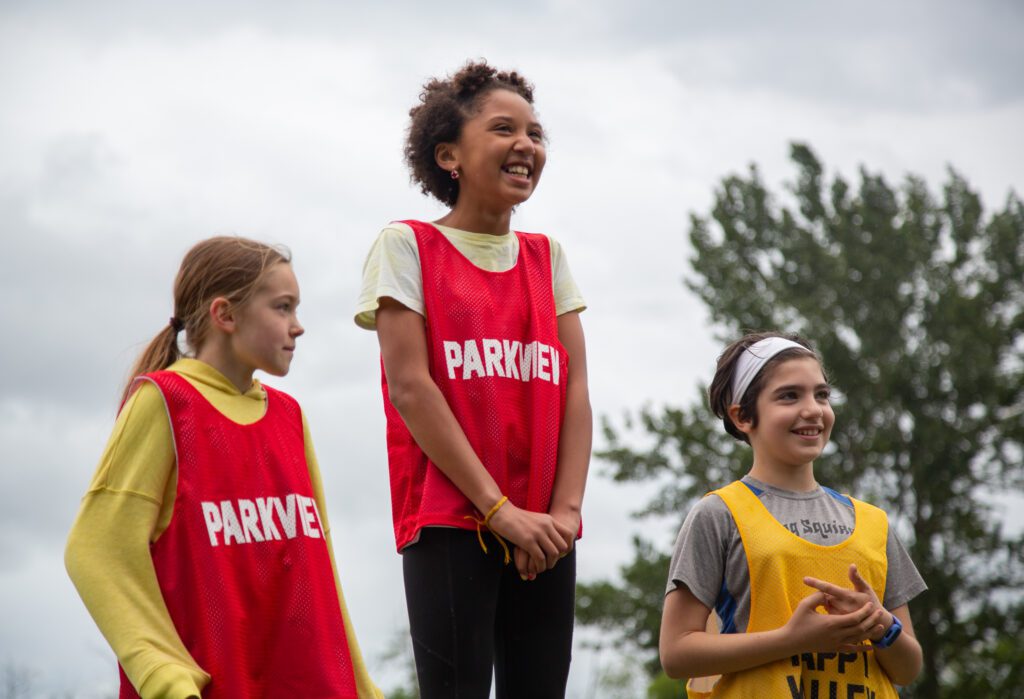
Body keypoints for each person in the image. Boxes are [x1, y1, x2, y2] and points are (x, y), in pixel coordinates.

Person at [354, 60, 592, 698]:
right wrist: (499, 511)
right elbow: (411, 388)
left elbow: (574, 390)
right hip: (451, 521)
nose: (527, 146)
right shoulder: (405, 246)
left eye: (536, 134)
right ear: (449, 155)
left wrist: (564, 515)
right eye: (504, 129)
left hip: (545, 532)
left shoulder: (549, 258)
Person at [66, 236, 381, 699]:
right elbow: (95, 550)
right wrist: (163, 675)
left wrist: (362, 687)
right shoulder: (165, 404)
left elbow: (320, 574)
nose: (298, 327)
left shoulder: (290, 417)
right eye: (283, 307)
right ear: (225, 315)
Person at [659, 332, 926, 698]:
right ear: (742, 416)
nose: (813, 409)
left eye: (822, 394)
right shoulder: (719, 514)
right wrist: (792, 640)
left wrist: (882, 626)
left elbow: (908, 669)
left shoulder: (874, 523)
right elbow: (676, 654)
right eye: (789, 396)